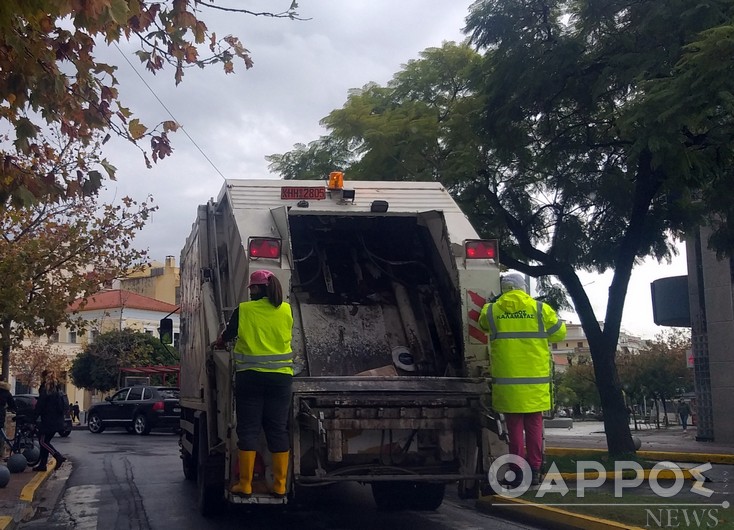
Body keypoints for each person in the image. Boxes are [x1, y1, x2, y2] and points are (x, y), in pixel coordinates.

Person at [479, 273, 566, 487]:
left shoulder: (492, 310)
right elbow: (559, 334)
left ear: (504, 289)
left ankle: (518, 471)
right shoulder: (539, 309)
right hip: (534, 381)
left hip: (508, 382)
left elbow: (482, 325)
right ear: (523, 288)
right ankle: (535, 469)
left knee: (514, 427)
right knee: (535, 426)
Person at [213, 269, 294, 498]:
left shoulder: (244, 310)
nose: (250, 293)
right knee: (277, 430)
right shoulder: (286, 310)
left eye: (253, 288)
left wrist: (219, 342)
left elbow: (228, 335)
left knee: (248, 429)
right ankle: (279, 485)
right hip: (281, 379)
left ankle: (245, 484)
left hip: (251, 378)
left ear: (259, 289)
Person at [33, 373, 67, 472]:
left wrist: (34, 417)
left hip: (48, 422)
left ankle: (57, 456)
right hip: (58, 422)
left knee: (43, 441)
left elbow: (39, 407)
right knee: (45, 442)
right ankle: (42, 465)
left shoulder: (45, 392)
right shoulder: (58, 392)